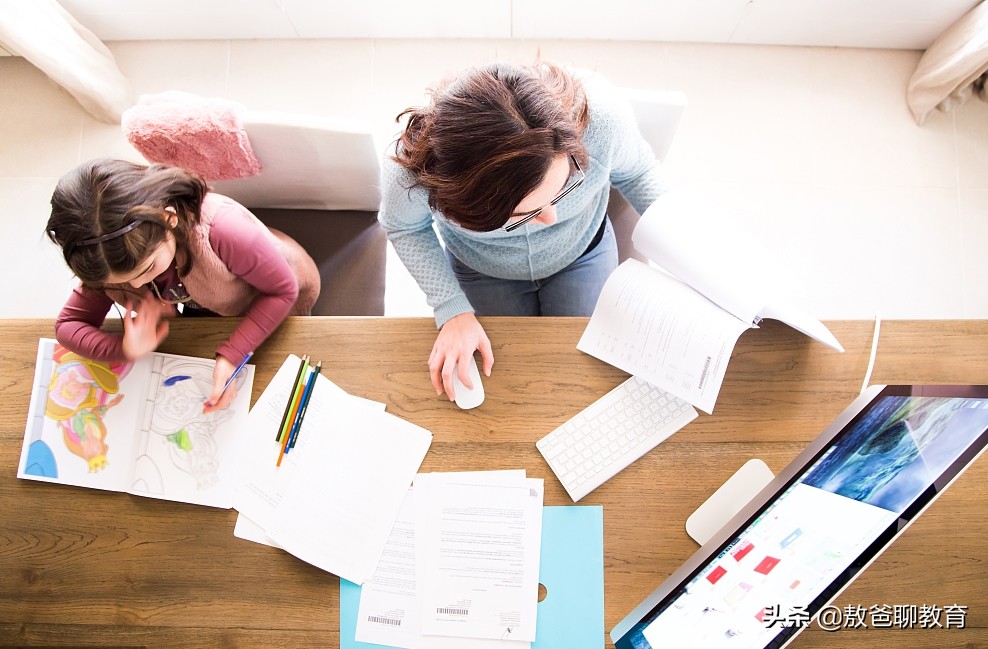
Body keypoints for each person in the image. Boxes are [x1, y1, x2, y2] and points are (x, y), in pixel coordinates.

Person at [379, 59, 667, 401]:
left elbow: (638, 174)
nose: (551, 218)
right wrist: (452, 309)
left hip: (581, 253)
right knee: (510, 375)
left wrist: (687, 256)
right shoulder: (411, 173)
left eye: (561, 190)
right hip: (482, 269)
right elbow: (404, 226)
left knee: (589, 370)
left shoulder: (603, 119)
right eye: (521, 214)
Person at [46, 158, 320, 412]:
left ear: (168, 220)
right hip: (209, 312)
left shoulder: (223, 230)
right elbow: (68, 326)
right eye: (119, 282)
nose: (137, 284)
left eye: (147, 269)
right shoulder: (108, 256)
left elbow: (283, 290)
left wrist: (232, 355)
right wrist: (124, 348)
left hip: (275, 293)